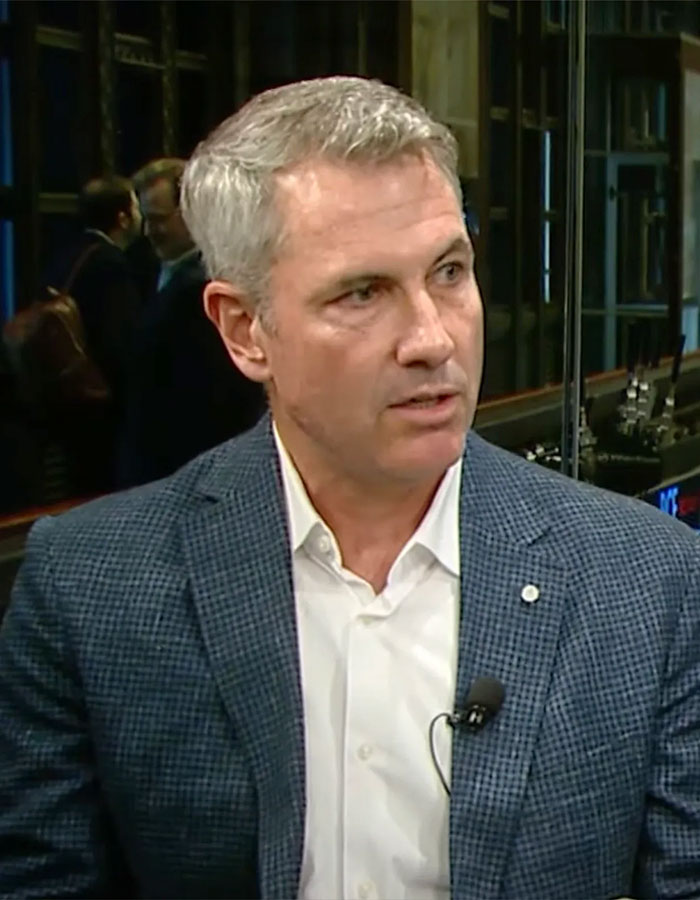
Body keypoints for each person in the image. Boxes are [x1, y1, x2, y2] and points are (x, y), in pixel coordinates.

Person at [1, 76, 699, 900]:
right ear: (244, 330)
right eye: (363, 292)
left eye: (448, 271)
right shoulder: (90, 588)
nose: (432, 338)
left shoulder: (648, 578)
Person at [117, 158, 264, 486]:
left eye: (158, 220)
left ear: (192, 215)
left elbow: (212, 399)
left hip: (184, 469)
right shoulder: (142, 268)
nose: (150, 232)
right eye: (146, 220)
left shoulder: (208, 287)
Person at [42, 176, 143, 494]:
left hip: (64, 395)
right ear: (123, 217)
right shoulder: (110, 264)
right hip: (99, 405)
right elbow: (120, 342)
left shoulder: (66, 255)